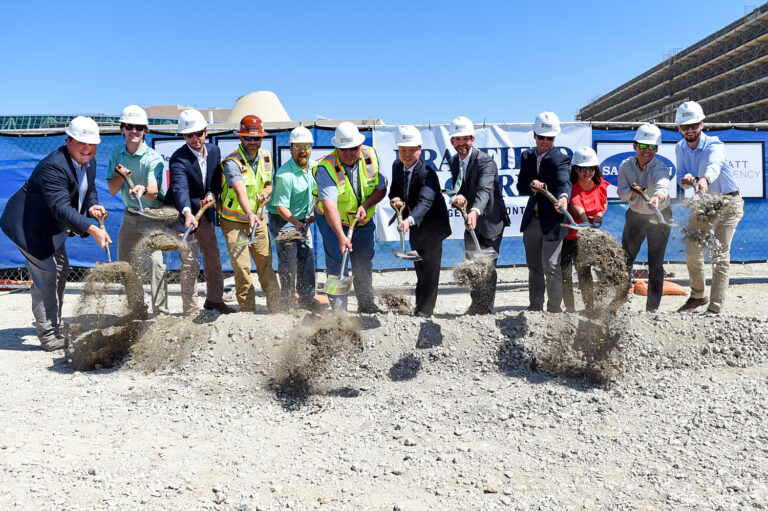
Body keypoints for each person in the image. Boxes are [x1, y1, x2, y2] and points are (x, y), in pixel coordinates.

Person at [0, 116, 111, 351]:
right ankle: (49, 335)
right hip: (28, 226)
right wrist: (92, 229)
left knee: (61, 269)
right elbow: (61, 207)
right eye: (81, 142)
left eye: (92, 143)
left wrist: (92, 206)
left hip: (53, 226)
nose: (87, 148)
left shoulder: (89, 161)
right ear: (68, 140)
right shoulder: (54, 166)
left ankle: (55, 324)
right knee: (47, 274)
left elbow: (88, 189)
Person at [674, 101, 743, 314]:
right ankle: (697, 296)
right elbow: (679, 178)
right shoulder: (679, 147)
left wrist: (704, 179)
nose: (690, 130)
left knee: (720, 254)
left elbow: (714, 165)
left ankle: (715, 308)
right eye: (685, 127)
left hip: (729, 202)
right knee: (693, 248)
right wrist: (686, 181)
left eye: (693, 125)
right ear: (679, 129)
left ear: (702, 124)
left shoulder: (715, 145)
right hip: (706, 202)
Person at [314, 121, 387, 313]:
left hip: (361, 220)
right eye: (343, 148)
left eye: (353, 148)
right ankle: (339, 311)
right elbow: (330, 207)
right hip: (332, 221)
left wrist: (366, 206)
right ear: (336, 147)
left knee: (363, 260)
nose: (348, 153)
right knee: (337, 261)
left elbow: (381, 190)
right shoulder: (325, 168)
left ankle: (366, 304)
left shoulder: (371, 156)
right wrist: (341, 235)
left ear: (360, 146)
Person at [167, 109, 233, 316]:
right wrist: (187, 212)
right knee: (190, 262)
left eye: (198, 133)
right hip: (182, 216)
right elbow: (179, 188)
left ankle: (214, 300)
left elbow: (215, 180)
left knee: (213, 256)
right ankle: (191, 311)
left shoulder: (214, 151)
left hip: (203, 214)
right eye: (189, 135)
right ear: (183, 136)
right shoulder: (178, 158)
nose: (195, 138)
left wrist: (212, 193)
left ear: (206, 132)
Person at [107, 105, 169, 315]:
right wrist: (120, 175)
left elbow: (153, 191)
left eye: (139, 127)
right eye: (130, 126)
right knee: (126, 264)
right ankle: (137, 309)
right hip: (130, 215)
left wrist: (142, 189)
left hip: (152, 216)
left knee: (154, 262)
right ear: (122, 129)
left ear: (145, 131)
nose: (134, 131)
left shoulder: (153, 158)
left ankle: (161, 313)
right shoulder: (117, 153)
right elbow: (113, 189)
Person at [447, 116, 510, 315]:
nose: (462, 143)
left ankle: (486, 309)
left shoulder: (486, 162)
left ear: (472, 140)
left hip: (490, 221)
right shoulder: (454, 161)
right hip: (470, 221)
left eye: (465, 139)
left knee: (487, 267)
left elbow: (485, 190)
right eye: (458, 139)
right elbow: (462, 187)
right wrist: (459, 197)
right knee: (473, 264)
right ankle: (476, 305)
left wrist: (474, 210)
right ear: (452, 142)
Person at [219, 115, 281, 313]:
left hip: (258, 220)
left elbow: (269, 184)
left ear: (262, 138)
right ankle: (248, 311)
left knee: (266, 265)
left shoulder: (266, 157)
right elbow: (240, 190)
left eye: (257, 138)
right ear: (241, 138)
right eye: (248, 138)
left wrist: (265, 193)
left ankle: (277, 307)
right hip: (235, 223)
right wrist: (248, 212)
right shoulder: (232, 162)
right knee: (242, 267)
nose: (253, 142)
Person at [388, 125, 451, 317]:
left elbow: (425, 202)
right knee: (420, 269)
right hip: (415, 227)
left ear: (420, 150)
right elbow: (394, 190)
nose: (406, 154)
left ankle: (425, 312)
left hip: (432, 227)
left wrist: (408, 220)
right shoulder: (397, 166)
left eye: (411, 150)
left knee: (430, 272)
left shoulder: (428, 174)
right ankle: (419, 307)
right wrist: (395, 198)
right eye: (403, 150)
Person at [517, 111, 571, 312]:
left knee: (551, 266)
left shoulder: (561, 159)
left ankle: (555, 308)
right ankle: (535, 306)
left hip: (553, 221)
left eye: (550, 138)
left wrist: (563, 198)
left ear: (555, 138)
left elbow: (564, 182)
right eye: (541, 137)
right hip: (532, 220)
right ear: (534, 135)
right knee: (534, 266)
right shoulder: (527, 156)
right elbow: (520, 186)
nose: (545, 141)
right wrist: (532, 186)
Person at [617, 123, 673, 312]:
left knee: (655, 264)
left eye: (651, 147)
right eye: (643, 146)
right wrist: (634, 193)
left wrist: (657, 198)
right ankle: (620, 300)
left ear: (656, 149)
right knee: (625, 260)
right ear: (635, 146)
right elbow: (622, 193)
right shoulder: (625, 166)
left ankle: (652, 310)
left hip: (659, 217)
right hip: (635, 217)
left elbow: (663, 185)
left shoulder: (660, 167)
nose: (646, 150)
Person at [268, 126, 324, 312]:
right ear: (291, 148)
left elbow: (317, 192)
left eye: (306, 146)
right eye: (298, 146)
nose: (303, 151)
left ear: (311, 148)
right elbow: (281, 207)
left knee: (306, 257)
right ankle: (287, 302)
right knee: (289, 259)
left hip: (301, 219)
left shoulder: (315, 168)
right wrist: (296, 223)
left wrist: (314, 210)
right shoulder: (285, 175)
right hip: (284, 220)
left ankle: (307, 298)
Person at [560, 146, 608, 312]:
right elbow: (576, 207)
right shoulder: (571, 186)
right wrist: (586, 221)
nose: (587, 172)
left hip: (586, 238)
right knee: (564, 272)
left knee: (584, 271)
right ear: (575, 169)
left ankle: (589, 306)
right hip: (569, 236)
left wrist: (600, 213)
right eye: (582, 169)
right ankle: (570, 307)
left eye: (591, 168)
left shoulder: (600, 184)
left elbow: (604, 203)